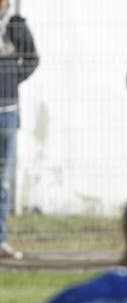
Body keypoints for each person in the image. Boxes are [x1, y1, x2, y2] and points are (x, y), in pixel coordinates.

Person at [0, 0, 38, 259]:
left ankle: (0, 239)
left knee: (2, 180)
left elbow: (33, 59)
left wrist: (13, 77)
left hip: (8, 113)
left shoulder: (16, 26)